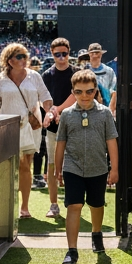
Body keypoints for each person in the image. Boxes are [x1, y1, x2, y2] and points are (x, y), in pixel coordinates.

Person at [54, 69, 119, 264]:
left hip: (98, 167)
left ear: (96, 91)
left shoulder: (105, 113)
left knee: (96, 204)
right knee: (74, 206)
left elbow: (111, 142)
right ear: (73, 92)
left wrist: (114, 168)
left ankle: (96, 233)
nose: (84, 96)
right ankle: (72, 250)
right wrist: (58, 168)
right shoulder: (66, 114)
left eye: (89, 91)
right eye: (79, 92)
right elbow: (60, 143)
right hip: (73, 167)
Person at [0, 42, 52, 219]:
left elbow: (46, 98)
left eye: (26, 55)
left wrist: (49, 113)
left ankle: (24, 207)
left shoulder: (35, 76)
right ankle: (7, 206)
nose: (25, 59)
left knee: (25, 165)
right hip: (7, 127)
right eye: (20, 56)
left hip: (31, 126)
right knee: (8, 167)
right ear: (9, 60)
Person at [41, 38, 79, 219]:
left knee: (74, 163)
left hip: (74, 124)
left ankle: (73, 202)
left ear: (69, 52)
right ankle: (54, 204)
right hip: (54, 126)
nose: (62, 57)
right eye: (58, 54)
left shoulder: (77, 73)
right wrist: (50, 112)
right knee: (51, 164)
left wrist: (57, 109)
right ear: (52, 54)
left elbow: (76, 95)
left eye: (65, 53)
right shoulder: (47, 75)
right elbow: (43, 98)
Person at [85, 43, 117, 108]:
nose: (95, 56)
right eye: (92, 53)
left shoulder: (109, 71)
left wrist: (111, 109)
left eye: (97, 53)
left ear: (101, 54)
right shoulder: (84, 70)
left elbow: (114, 92)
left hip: (106, 107)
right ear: (89, 54)